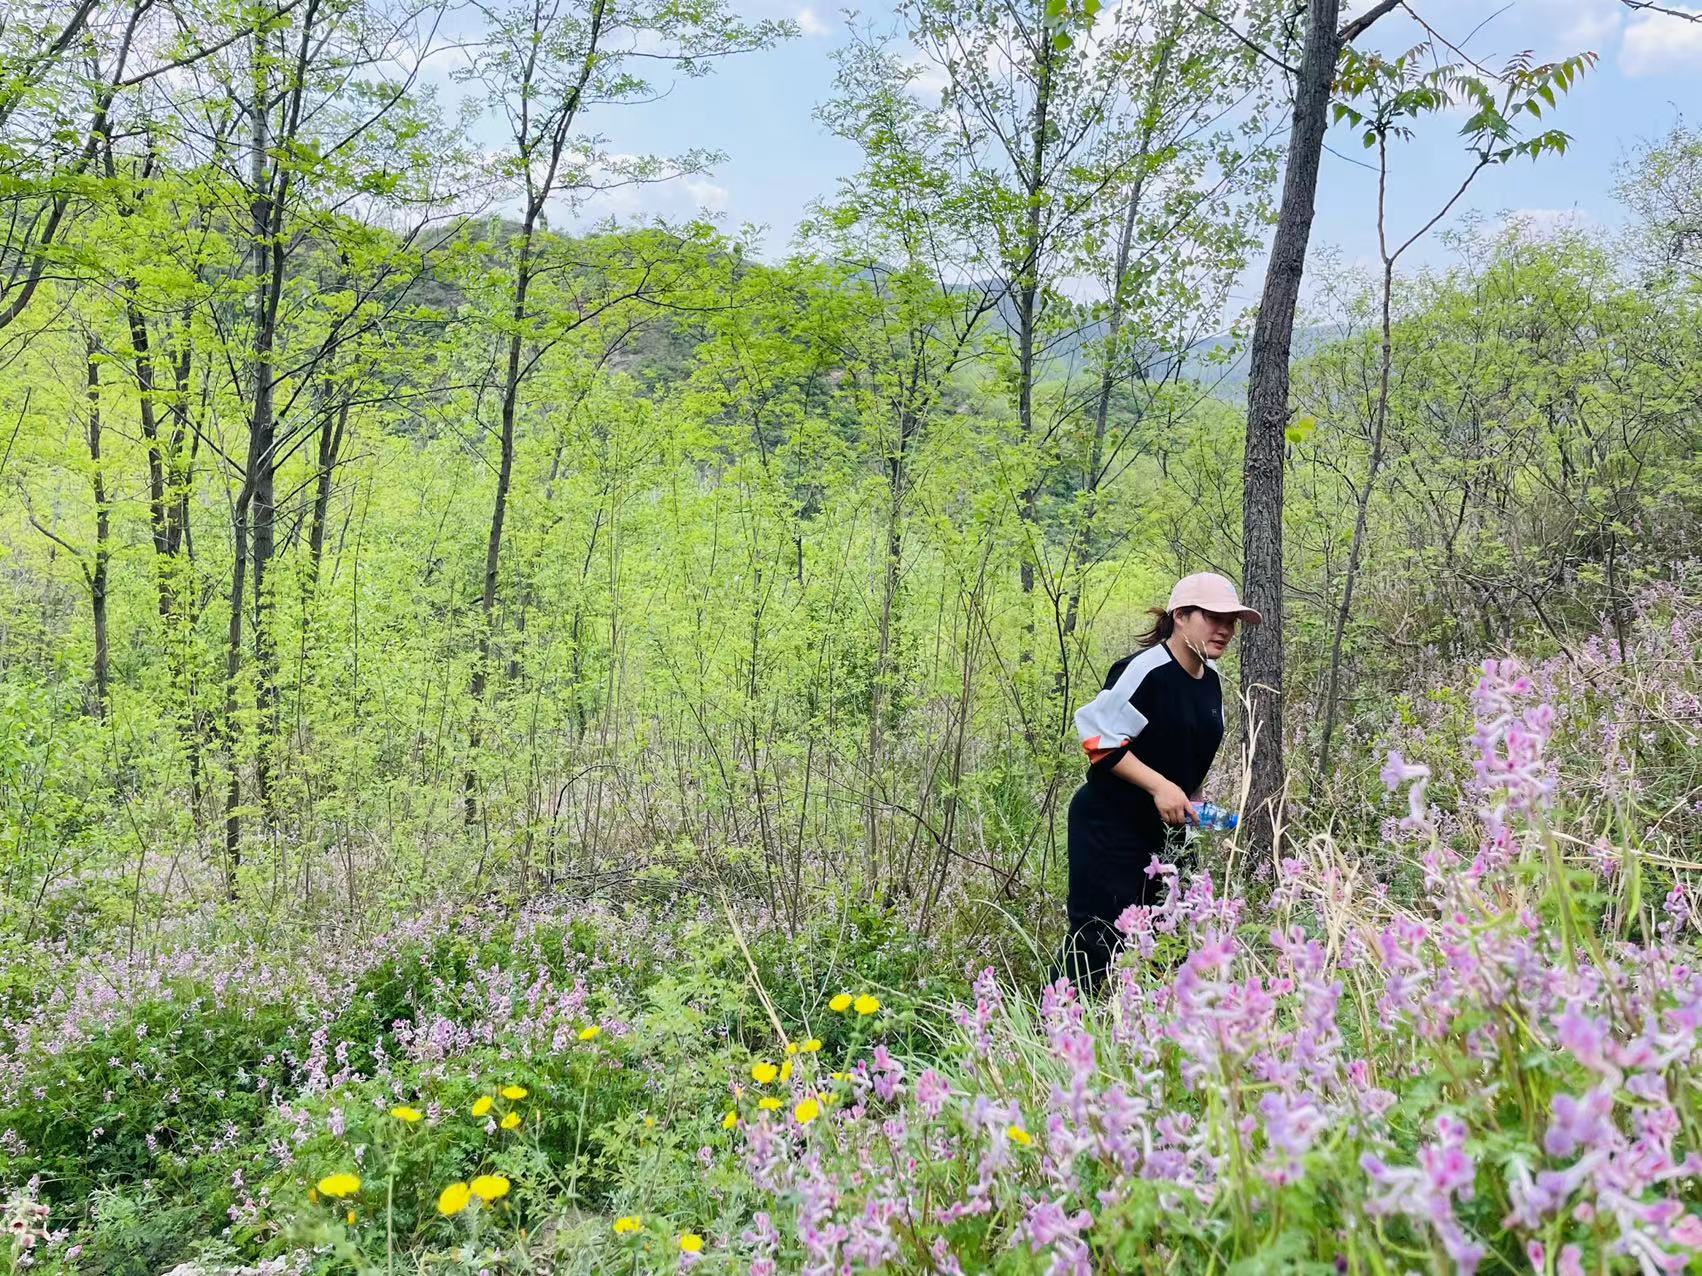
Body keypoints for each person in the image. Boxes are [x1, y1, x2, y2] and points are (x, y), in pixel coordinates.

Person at [1052, 572, 1261, 994]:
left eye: (1232, 621)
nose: (1225, 629)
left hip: (1169, 833)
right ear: (1180, 616)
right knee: (1098, 939)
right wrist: (1159, 786)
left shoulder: (1212, 681)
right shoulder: (1146, 670)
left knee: (1174, 936)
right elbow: (1098, 739)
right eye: (1214, 617)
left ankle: (1153, 1035)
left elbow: (1186, 752)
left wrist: (1194, 801)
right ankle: (1057, 1035)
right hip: (1109, 827)